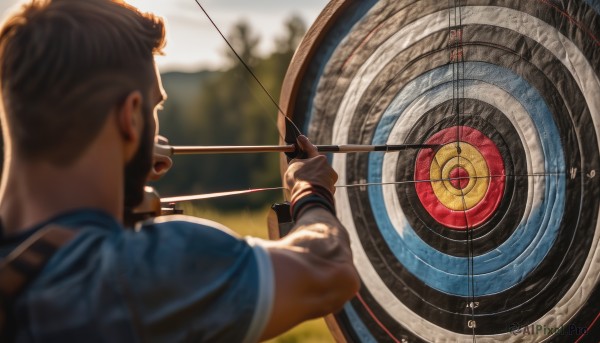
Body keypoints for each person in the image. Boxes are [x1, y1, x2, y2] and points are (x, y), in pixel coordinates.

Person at [0, 0, 360, 342]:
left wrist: (127, 159)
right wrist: (310, 191)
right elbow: (329, 269)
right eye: (154, 109)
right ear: (130, 115)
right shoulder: (145, 273)